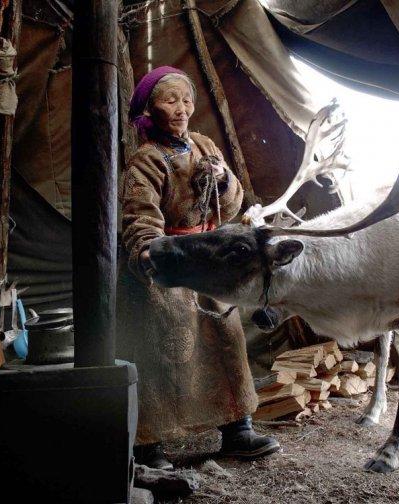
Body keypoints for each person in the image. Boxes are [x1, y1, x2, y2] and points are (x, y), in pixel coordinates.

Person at [116, 66, 279, 469]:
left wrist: (223, 180)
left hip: (209, 260)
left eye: (186, 100)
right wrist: (149, 253)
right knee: (164, 350)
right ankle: (149, 444)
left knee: (225, 339)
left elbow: (232, 206)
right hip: (170, 261)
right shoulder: (146, 160)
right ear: (151, 109)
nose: (181, 108)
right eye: (170, 100)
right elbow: (139, 215)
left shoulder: (206, 146)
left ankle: (236, 428)